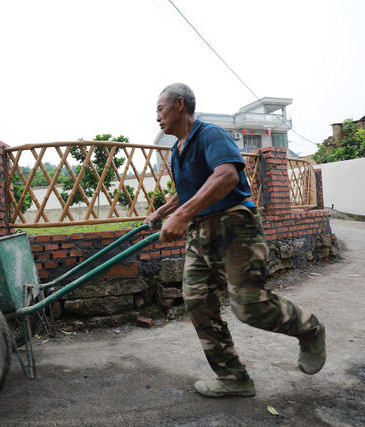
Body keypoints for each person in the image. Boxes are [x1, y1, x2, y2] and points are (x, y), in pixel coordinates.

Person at [145, 83, 326, 398]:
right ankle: (234, 377)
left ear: (178, 104)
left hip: (234, 225)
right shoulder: (177, 151)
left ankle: (309, 329)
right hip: (201, 232)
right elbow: (188, 190)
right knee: (196, 300)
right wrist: (163, 211)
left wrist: (181, 215)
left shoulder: (210, 135)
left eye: (159, 109)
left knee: (248, 305)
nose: (156, 116)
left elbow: (226, 175)